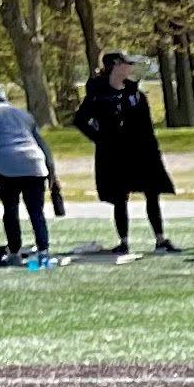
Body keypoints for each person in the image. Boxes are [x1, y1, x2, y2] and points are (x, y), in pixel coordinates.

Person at [70, 53, 176, 257]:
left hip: (141, 151)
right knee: (120, 197)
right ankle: (124, 241)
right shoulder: (98, 93)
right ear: (115, 66)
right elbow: (80, 119)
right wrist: (99, 138)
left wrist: (153, 150)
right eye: (126, 64)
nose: (129, 68)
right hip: (114, 153)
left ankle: (160, 239)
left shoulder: (135, 93)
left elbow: (146, 125)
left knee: (151, 193)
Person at [0, 82, 56, 268]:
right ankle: (43, 251)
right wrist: (51, 172)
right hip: (35, 163)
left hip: (7, 164)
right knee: (36, 211)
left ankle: (15, 253)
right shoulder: (23, 114)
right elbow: (42, 144)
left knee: (10, 210)